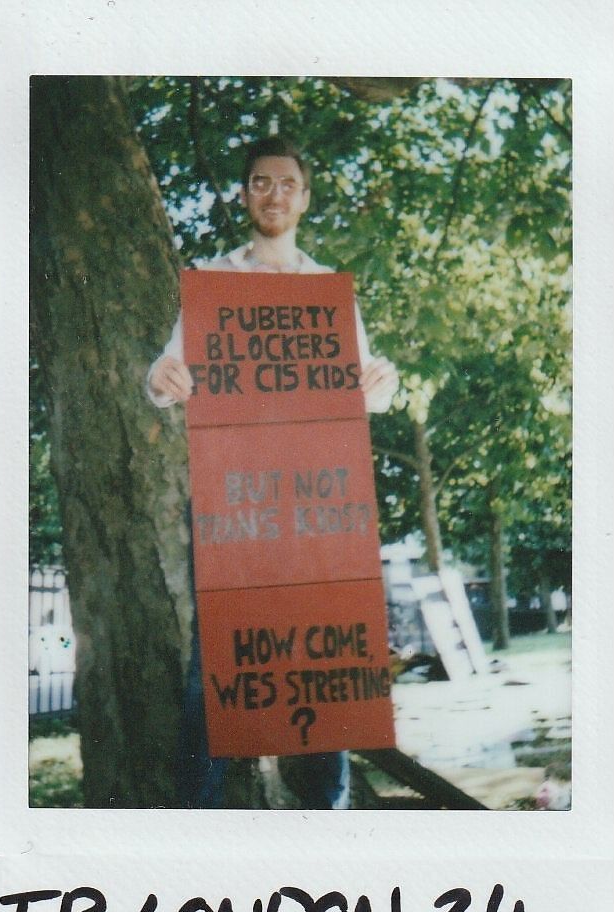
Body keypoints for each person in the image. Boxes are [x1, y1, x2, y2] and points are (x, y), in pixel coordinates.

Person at [147, 136, 398, 809]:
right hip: (235, 509)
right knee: (215, 670)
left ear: (304, 197)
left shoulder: (326, 292)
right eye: (261, 182)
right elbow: (169, 374)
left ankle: (326, 825)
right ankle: (194, 834)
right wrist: (160, 377)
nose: (274, 194)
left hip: (316, 511)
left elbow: (362, 391)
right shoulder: (211, 281)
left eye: (287, 183)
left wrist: (382, 381)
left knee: (325, 670)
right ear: (245, 193)